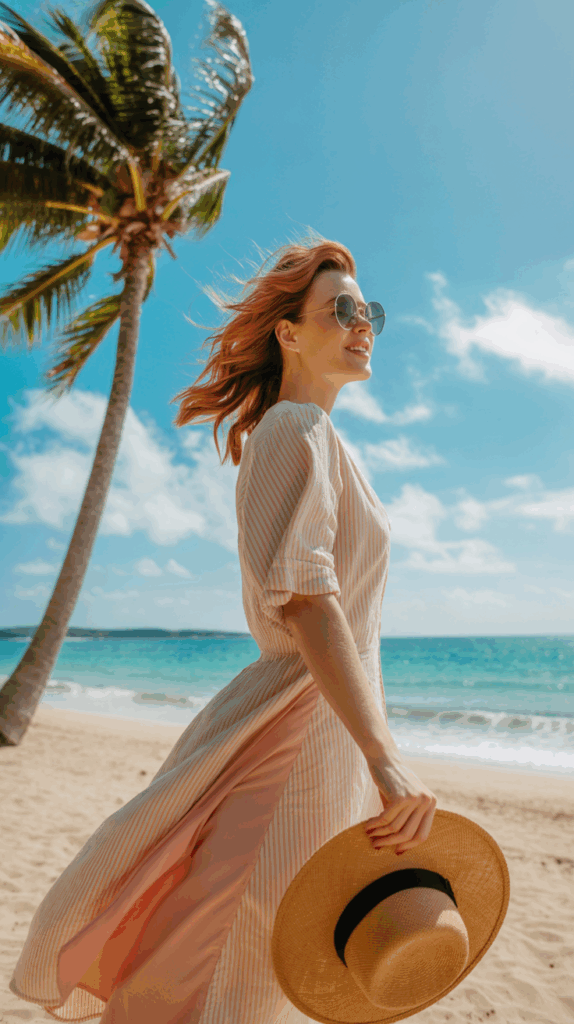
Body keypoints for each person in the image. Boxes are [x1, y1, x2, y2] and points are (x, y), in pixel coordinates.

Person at [9, 238, 437, 1024]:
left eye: (369, 312)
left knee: (246, 968)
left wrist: (373, 750)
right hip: (296, 743)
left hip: (319, 738)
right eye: (342, 309)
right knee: (226, 972)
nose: (363, 325)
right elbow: (309, 601)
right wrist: (385, 758)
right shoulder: (293, 430)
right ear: (289, 332)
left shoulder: (327, 442)